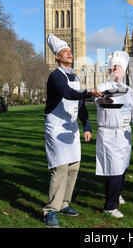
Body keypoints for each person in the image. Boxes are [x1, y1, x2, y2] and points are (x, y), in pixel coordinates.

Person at [43, 34, 102, 228]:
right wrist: (88, 93)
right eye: (64, 51)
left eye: (70, 51)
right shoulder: (56, 76)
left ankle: (64, 203)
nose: (69, 53)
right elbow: (68, 94)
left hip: (72, 126)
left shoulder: (75, 76)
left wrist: (87, 126)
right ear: (57, 58)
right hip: (56, 125)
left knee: (73, 166)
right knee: (60, 167)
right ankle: (51, 210)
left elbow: (79, 104)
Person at [95, 51, 133, 218]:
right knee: (113, 168)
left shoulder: (129, 90)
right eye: (113, 66)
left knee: (122, 166)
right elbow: (98, 99)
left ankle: (117, 194)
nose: (116, 69)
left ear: (124, 71)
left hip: (124, 133)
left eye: (119, 67)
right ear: (109, 69)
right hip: (108, 133)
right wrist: (102, 100)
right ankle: (110, 206)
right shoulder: (102, 87)